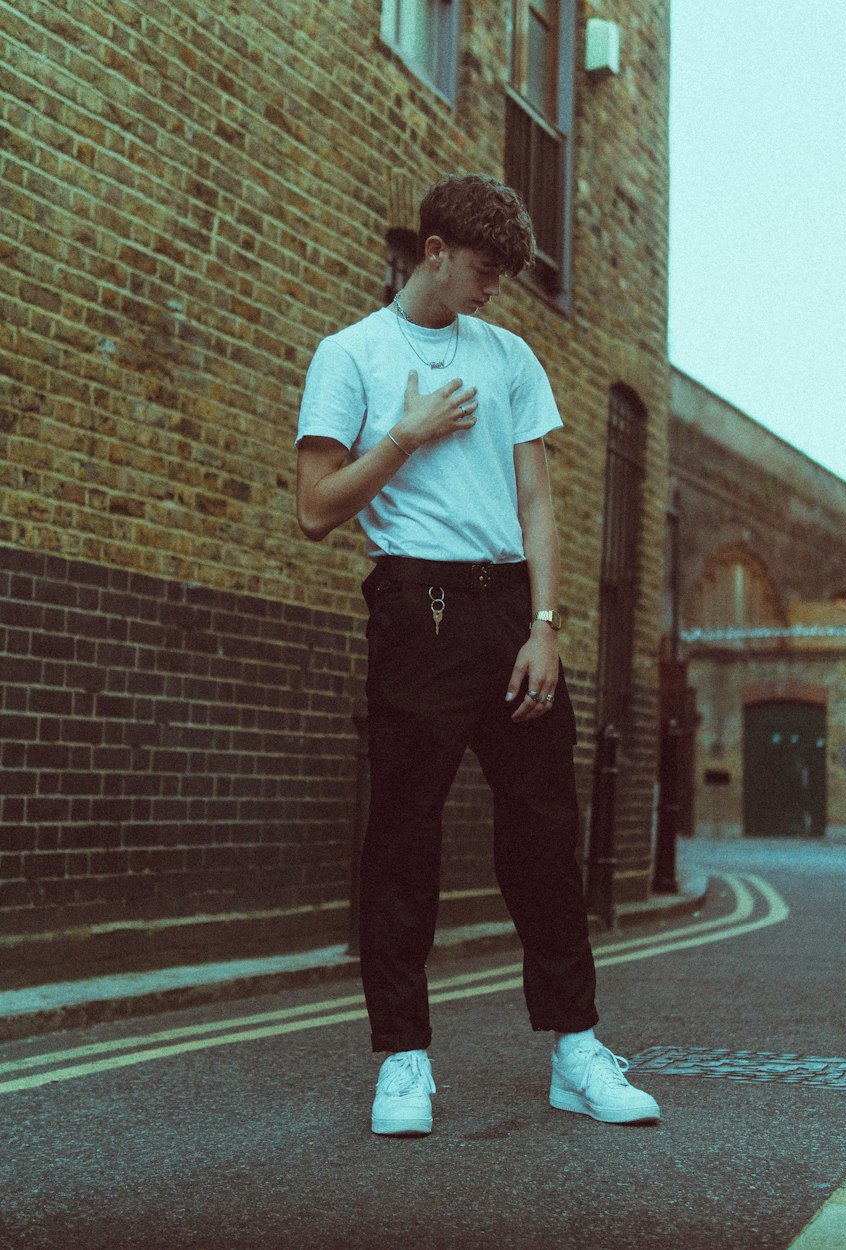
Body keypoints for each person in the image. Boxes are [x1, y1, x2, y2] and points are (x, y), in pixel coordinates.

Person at [295, 172, 660, 1136]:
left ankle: (576, 1051)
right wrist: (407, 436)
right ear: (435, 253)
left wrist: (547, 626)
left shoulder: (509, 356)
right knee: (404, 838)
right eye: (484, 271)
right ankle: (403, 1062)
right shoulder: (351, 356)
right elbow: (314, 510)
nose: (494, 289)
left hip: (509, 611)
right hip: (418, 607)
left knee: (543, 833)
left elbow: (536, 501)